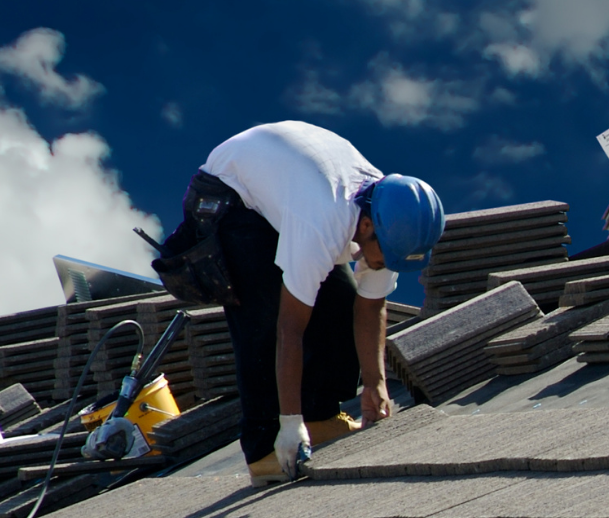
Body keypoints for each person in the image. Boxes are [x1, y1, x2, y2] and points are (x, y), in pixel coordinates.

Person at [159, 121, 444, 484]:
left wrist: (376, 384)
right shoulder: (323, 221)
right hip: (230, 194)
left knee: (342, 297)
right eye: (384, 258)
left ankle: (320, 417)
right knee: (264, 313)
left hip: (286, 185)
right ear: (368, 228)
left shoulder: (391, 216)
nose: (383, 266)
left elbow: (371, 306)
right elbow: (289, 329)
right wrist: (289, 424)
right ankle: (265, 449)